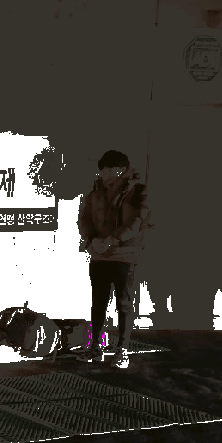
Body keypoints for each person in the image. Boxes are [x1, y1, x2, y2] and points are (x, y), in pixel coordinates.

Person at [76, 150, 152, 368]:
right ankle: (95, 348)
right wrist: (92, 240)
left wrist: (112, 239)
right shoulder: (95, 191)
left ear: (123, 169)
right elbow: (84, 218)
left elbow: (138, 221)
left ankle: (122, 351)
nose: (108, 174)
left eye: (113, 169)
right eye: (105, 170)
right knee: (98, 303)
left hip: (125, 254)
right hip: (99, 254)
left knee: (124, 303)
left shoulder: (138, 191)